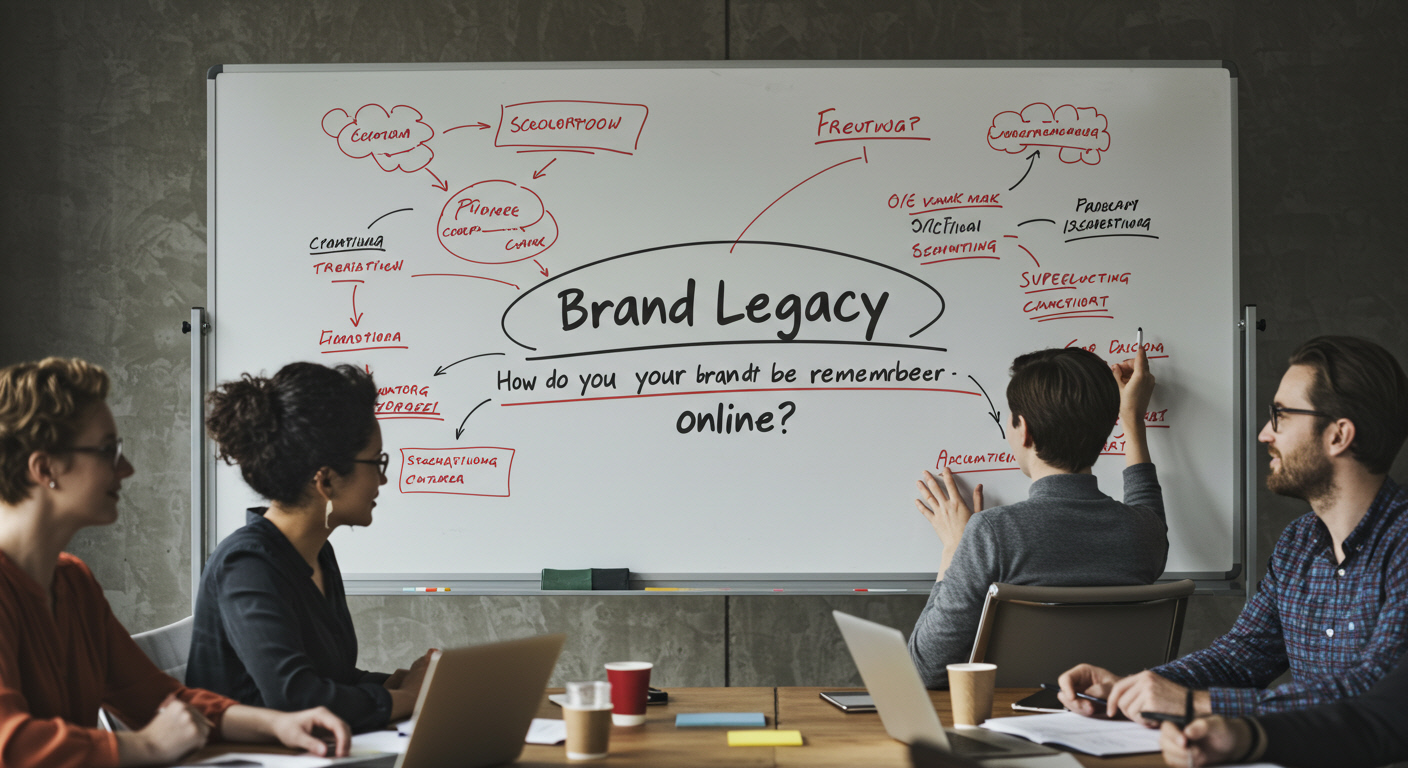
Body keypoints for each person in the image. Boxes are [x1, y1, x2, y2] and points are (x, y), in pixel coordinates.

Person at [0, 357, 350, 767]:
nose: (126, 469)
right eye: (109, 451)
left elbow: (161, 701)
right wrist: (147, 746)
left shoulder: (75, 584)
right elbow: (10, 743)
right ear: (46, 468)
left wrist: (278, 725)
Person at [1059, 335, 1408, 723]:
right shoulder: (1298, 543)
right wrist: (1133, 688)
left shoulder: (1402, 546)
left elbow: (1373, 691)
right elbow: (1241, 656)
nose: (1265, 433)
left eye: (1281, 415)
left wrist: (1194, 705)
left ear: (1338, 435)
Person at [187, 362, 434, 733]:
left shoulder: (317, 552)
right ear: (326, 481)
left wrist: (399, 685)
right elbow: (297, 698)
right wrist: (409, 698)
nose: (383, 479)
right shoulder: (247, 564)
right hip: (246, 755)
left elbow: (329, 678)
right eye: (376, 462)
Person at [907, 344, 1166, 688]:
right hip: (1109, 714)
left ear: (1024, 429)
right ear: (1107, 429)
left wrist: (955, 547)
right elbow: (1147, 503)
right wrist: (1132, 419)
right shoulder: (1144, 533)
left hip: (1010, 717)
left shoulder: (992, 532)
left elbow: (926, 669)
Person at [1157, 650, 1408, 768]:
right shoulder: (1290, 560)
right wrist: (1245, 735)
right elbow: (1377, 719)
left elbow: (1371, 693)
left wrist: (1197, 702)